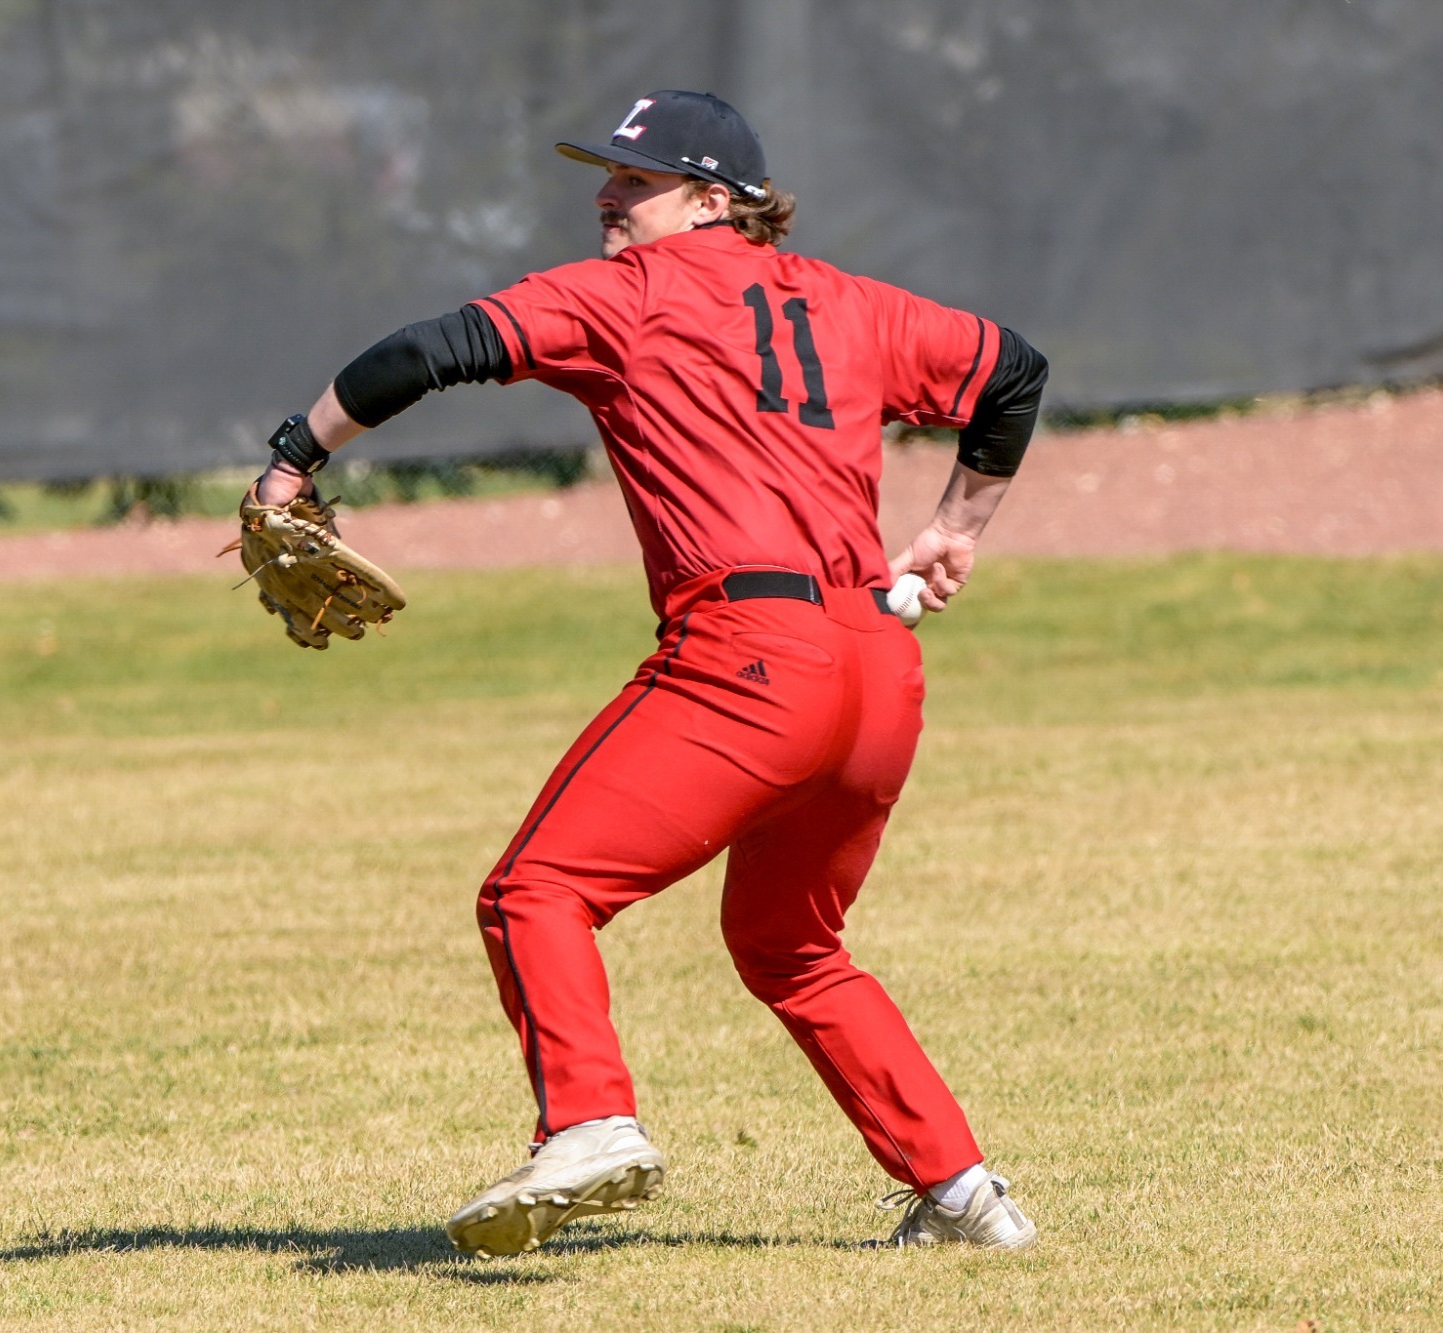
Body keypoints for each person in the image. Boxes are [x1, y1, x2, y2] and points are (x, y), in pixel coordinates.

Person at [251, 90, 1048, 1256]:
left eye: (635, 180)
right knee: (790, 946)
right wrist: (954, 526)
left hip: (748, 658)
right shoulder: (850, 300)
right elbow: (1012, 372)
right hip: (876, 669)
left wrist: (290, 461)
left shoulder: (625, 297)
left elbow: (428, 351)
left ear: (712, 200)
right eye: (608, 175)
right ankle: (965, 1196)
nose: (606, 196)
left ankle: (588, 1122)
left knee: (535, 892)